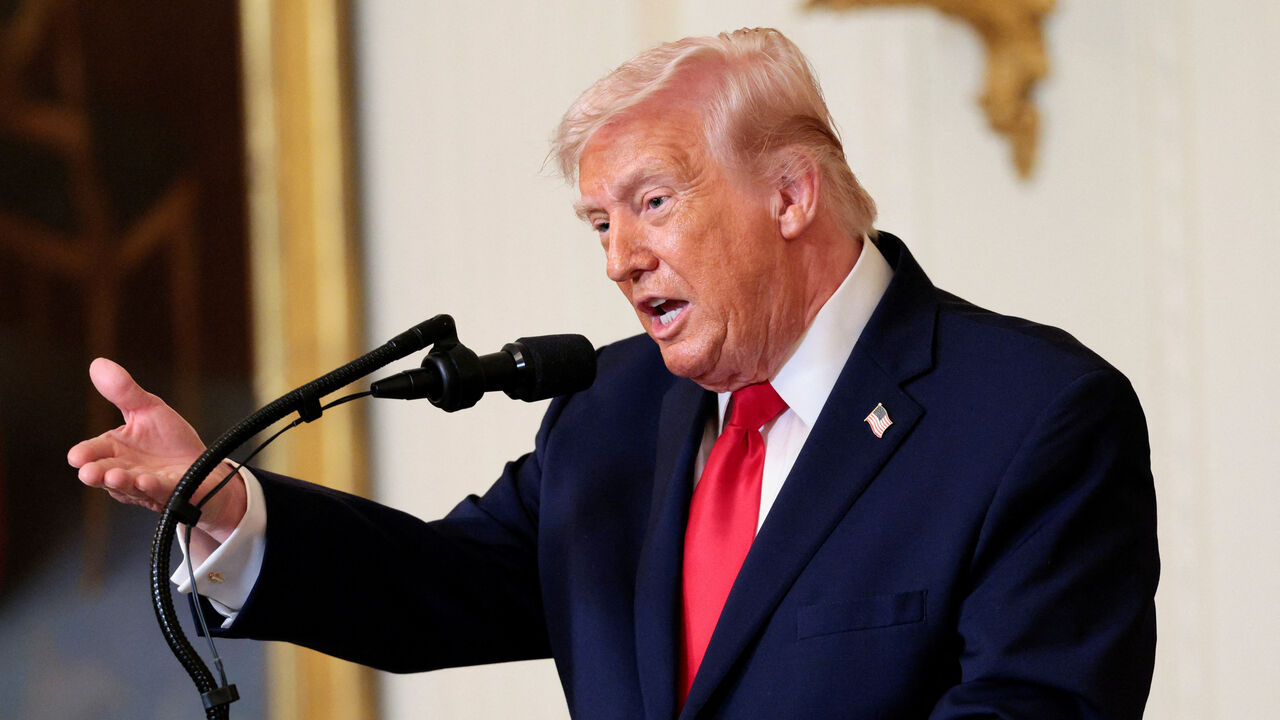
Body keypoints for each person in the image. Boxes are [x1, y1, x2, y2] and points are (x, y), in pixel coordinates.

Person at [69, 28, 1158, 719]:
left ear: (789, 195)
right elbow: (433, 592)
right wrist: (226, 505)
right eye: (599, 222)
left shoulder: (1031, 418)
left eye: (652, 203)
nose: (618, 259)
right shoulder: (614, 409)